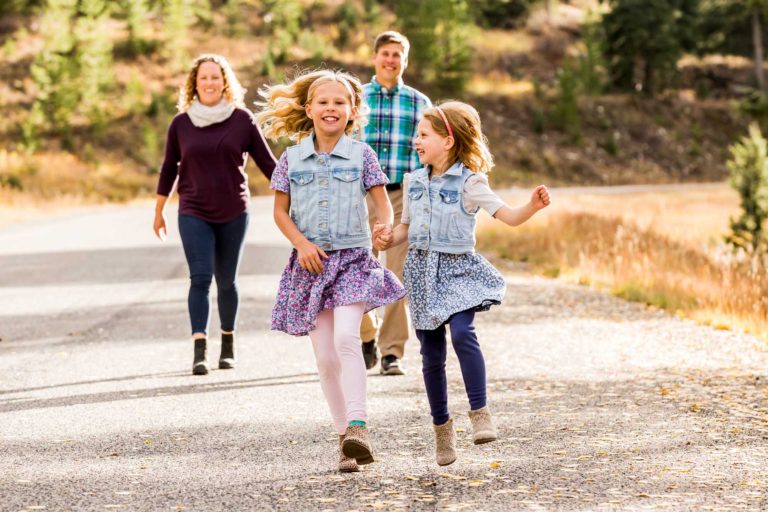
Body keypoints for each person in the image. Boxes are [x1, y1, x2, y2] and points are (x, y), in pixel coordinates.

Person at [374, 101, 551, 466]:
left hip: (458, 270)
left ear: (448, 140)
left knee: (462, 333)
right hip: (422, 271)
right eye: (417, 135)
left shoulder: (471, 182)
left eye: (423, 135)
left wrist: (531, 207)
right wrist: (387, 238)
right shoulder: (413, 181)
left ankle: (480, 411)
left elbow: (508, 215)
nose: (416, 141)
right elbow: (405, 227)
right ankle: (442, 428)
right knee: (431, 354)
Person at [255, 69, 406, 473]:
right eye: (323, 102)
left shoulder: (362, 155)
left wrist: (382, 226)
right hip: (311, 264)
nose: (331, 108)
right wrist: (302, 244)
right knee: (324, 357)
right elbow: (279, 213)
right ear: (309, 109)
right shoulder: (291, 158)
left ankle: (359, 425)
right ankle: (345, 440)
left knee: (345, 339)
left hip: (353, 259)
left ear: (352, 111)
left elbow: (382, 203)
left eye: (339, 102)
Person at [153, 54, 277, 376]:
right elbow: (169, 168)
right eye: (203, 78)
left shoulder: (242, 119)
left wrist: (297, 194)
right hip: (193, 209)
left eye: (215, 77)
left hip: (234, 210)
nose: (209, 83)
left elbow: (268, 165)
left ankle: (228, 343)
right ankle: (199, 349)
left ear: (225, 82)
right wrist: (159, 210)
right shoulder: (180, 123)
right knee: (200, 278)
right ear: (194, 84)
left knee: (227, 281)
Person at [360, 30, 432, 376]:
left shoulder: (420, 103)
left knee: (396, 273)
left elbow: (430, 151)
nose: (391, 60)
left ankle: (391, 351)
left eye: (397, 55)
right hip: (361, 194)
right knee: (358, 267)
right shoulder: (356, 98)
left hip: (403, 194)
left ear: (406, 60)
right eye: (385, 53)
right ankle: (366, 332)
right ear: (375, 57)